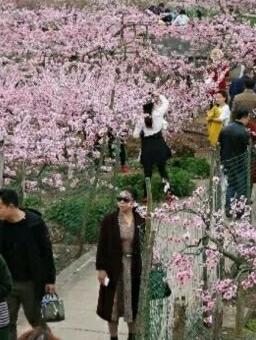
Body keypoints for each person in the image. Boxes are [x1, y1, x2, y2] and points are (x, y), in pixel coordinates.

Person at [0, 189, 56, 340]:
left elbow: (46, 252)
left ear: (11, 206)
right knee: (7, 323)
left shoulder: (35, 223)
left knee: (38, 321)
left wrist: (50, 279)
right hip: (8, 283)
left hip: (31, 282)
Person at [96, 188, 145, 340]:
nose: (122, 202)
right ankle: (114, 337)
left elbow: (146, 245)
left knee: (132, 303)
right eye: (119, 199)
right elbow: (101, 246)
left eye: (126, 199)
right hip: (114, 268)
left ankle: (132, 335)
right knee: (113, 304)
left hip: (134, 268)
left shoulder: (141, 220)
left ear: (133, 202)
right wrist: (101, 269)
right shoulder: (109, 220)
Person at [133, 93, 172, 200]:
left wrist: (142, 132)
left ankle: (147, 196)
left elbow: (135, 135)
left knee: (148, 172)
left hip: (148, 146)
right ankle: (168, 193)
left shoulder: (140, 118)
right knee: (162, 170)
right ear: (153, 104)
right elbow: (166, 102)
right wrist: (159, 95)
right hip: (159, 143)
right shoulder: (159, 113)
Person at [218, 108, 251, 218]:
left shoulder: (225, 129)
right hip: (240, 162)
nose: (248, 120)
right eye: (248, 117)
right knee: (241, 186)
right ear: (244, 117)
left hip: (227, 161)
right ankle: (239, 210)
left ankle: (228, 207)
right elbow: (248, 147)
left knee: (231, 184)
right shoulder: (244, 131)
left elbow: (220, 144)